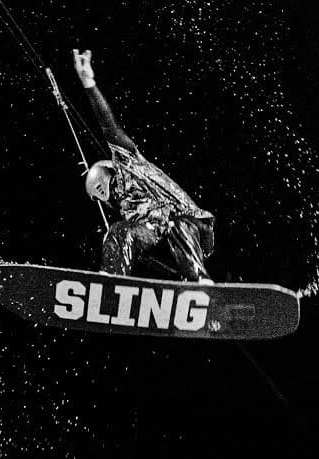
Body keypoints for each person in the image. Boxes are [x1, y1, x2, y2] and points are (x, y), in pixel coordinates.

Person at [73, 49, 215, 284]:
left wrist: (89, 84)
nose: (104, 201)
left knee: (177, 226)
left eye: (100, 195)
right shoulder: (124, 208)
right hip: (158, 240)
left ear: (104, 181)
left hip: (189, 228)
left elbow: (109, 126)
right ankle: (111, 283)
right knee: (120, 231)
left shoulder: (128, 163)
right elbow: (133, 238)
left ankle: (199, 280)